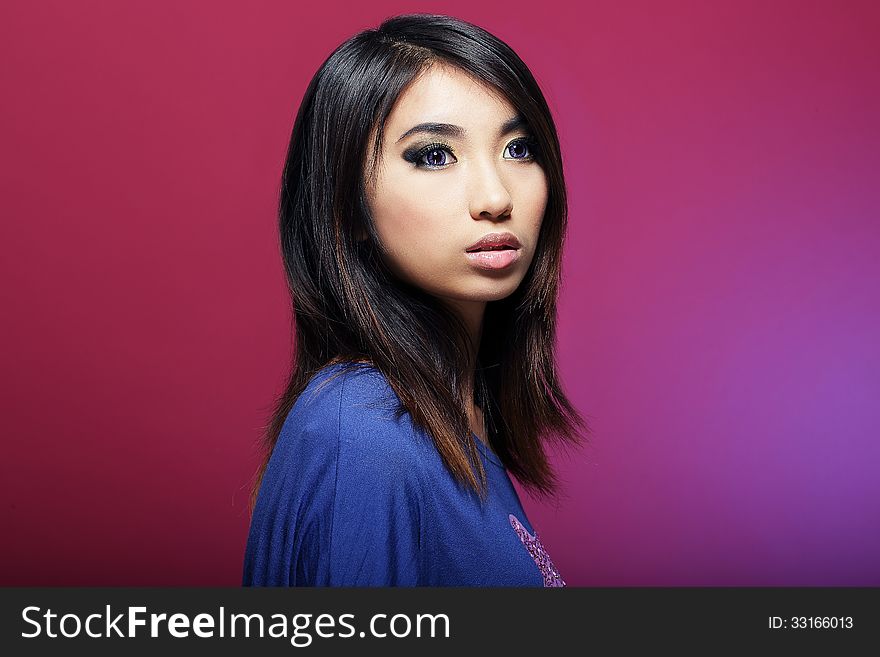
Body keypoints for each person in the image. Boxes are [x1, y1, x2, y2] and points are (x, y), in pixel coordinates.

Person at [243, 13, 590, 587]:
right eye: (433, 155)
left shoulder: (448, 416)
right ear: (346, 206)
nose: (495, 196)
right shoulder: (361, 434)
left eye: (519, 147)